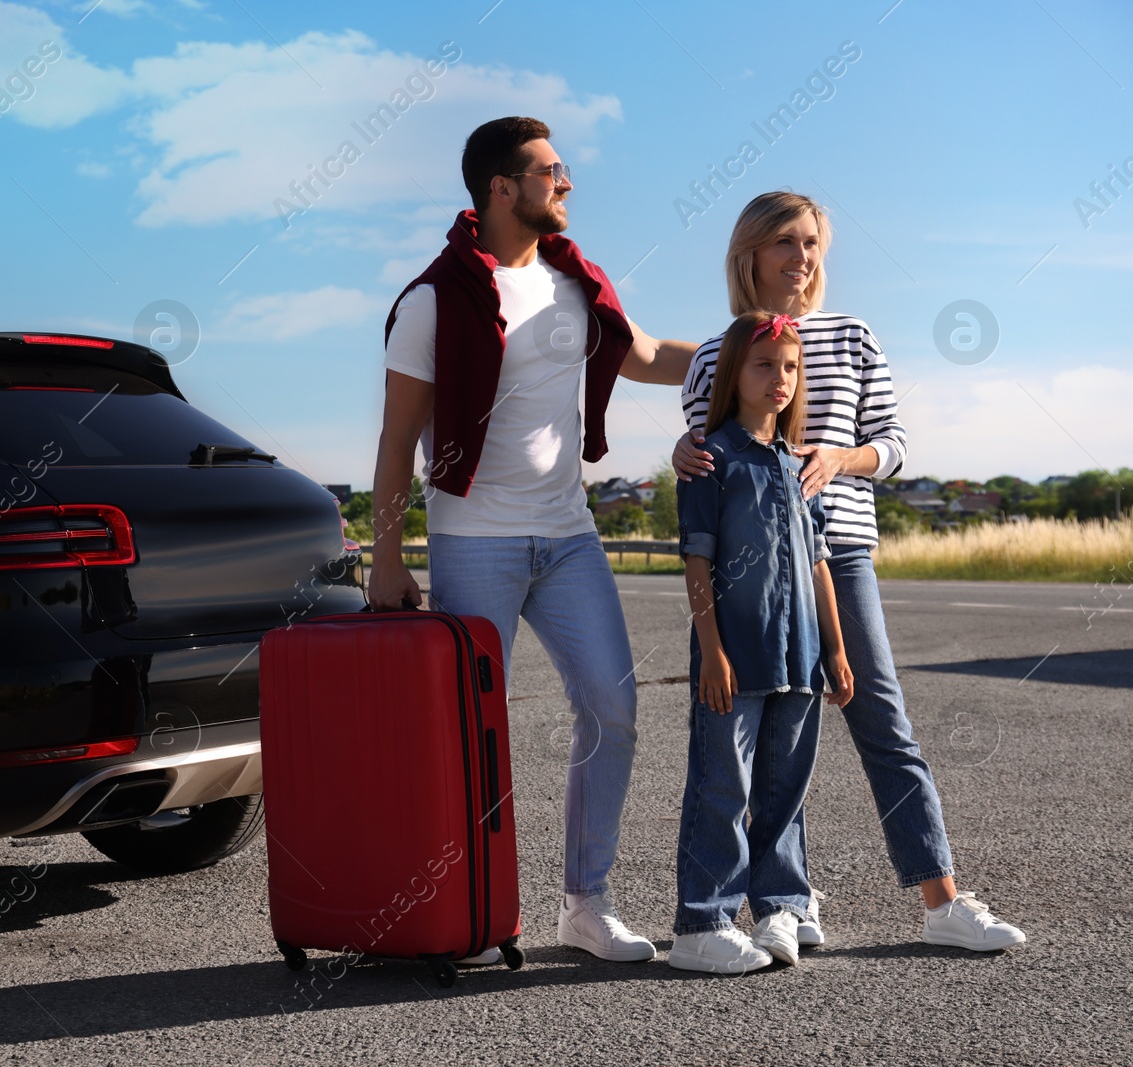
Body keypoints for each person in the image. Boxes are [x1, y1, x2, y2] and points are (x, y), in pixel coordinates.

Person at [369, 116, 697, 963]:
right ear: (501, 188)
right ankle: (475, 905)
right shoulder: (434, 299)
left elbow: (649, 353)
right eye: (552, 171)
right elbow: (398, 436)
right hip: (474, 540)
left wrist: (747, 347)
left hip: (569, 536)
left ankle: (584, 904)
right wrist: (386, 555)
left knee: (613, 708)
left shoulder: (573, 280)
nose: (569, 183)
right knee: (476, 734)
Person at [673, 191, 1027, 952]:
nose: (801, 258)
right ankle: (782, 901)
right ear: (750, 255)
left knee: (880, 717)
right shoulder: (715, 351)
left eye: (811, 244)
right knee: (769, 736)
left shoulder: (852, 336)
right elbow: (704, 451)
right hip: (746, 573)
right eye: (785, 243)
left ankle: (942, 901)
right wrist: (678, 450)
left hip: (838, 555)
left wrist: (842, 458)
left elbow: (895, 442)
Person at [670, 310, 855, 974]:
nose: (781, 378)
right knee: (724, 786)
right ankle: (703, 920)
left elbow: (817, 564)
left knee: (784, 789)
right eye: (765, 365)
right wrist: (711, 650)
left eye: (791, 367)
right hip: (736, 656)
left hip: (801, 655)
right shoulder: (709, 460)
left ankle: (780, 904)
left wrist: (834, 649)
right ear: (733, 375)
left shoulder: (798, 463)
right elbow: (697, 563)